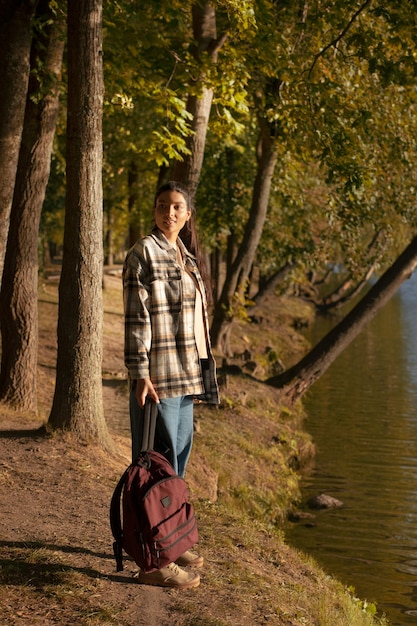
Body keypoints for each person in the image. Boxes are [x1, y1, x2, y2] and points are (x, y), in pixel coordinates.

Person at [123, 180, 220, 589]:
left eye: (177, 206)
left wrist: (203, 375)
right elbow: (135, 317)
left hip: (184, 377)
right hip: (157, 379)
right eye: (163, 205)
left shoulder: (187, 258)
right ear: (155, 211)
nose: (170, 212)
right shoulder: (143, 253)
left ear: (188, 214)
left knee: (175, 469)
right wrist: (139, 371)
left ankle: (172, 542)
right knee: (151, 471)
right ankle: (152, 564)